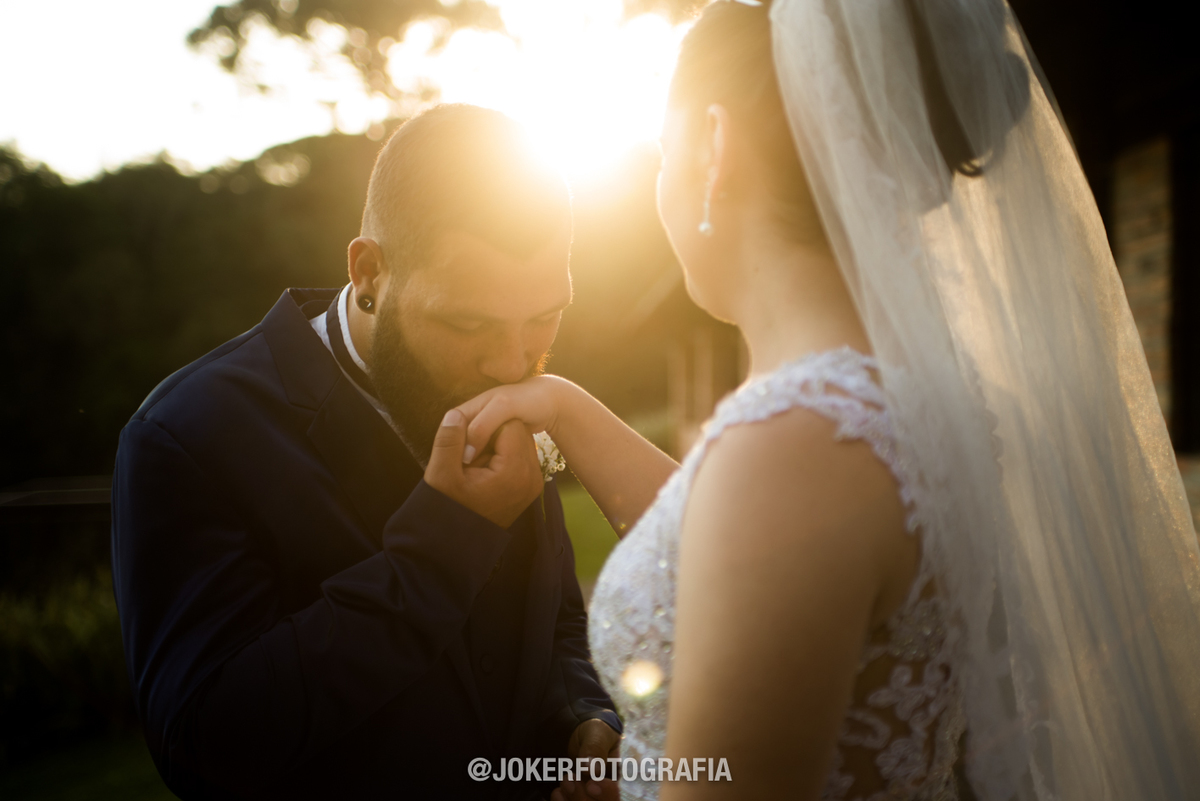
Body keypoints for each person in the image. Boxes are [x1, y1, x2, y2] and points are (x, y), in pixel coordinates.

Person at [455, 1, 1200, 799]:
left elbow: (763, 515)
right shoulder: (905, 409)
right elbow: (736, 550)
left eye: (664, 151)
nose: (661, 186)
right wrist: (565, 407)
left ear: (713, 145)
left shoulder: (794, 449)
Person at [110, 104, 621, 800]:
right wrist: (445, 543)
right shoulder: (189, 434)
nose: (511, 361)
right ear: (370, 272)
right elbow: (204, 742)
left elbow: (553, 612)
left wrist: (581, 716)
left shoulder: (506, 382)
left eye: (543, 315)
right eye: (467, 320)